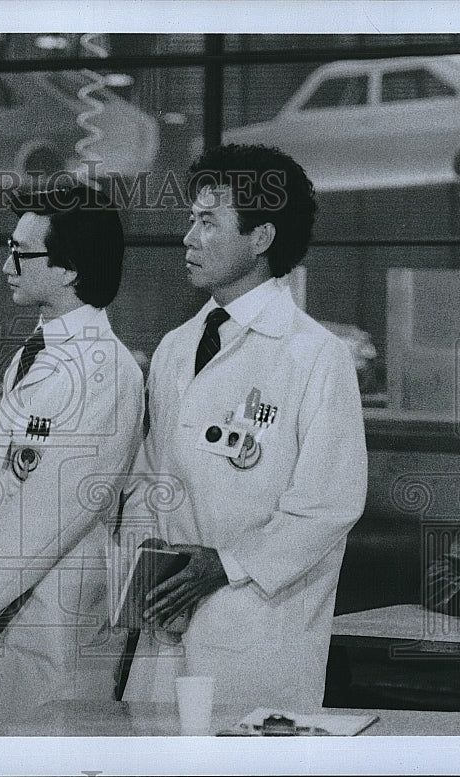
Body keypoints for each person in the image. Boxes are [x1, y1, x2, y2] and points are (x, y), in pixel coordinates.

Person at [120, 144, 367, 711]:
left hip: (259, 630)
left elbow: (330, 504)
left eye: (208, 222)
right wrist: (146, 557)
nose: (188, 237)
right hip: (167, 620)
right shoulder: (176, 348)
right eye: (190, 219)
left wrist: (224, 564)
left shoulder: (314, 356)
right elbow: (149, 474)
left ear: (261, 238)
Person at [0, 184, 144, 734]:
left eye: (22, 253)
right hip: (4, 606)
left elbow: (54, 503)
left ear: (68, 270)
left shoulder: (108, 371)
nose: (6, 265)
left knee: (43, 742)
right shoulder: (31, 356)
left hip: (58, 610)